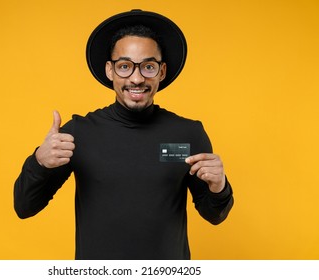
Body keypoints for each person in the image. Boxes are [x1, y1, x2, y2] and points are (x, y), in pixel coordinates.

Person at [14, 9, 234, 260]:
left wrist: (219, 187)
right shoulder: (78, 133)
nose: (137, 78)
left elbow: (215, 215)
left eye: (148, 66)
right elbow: (24, 207)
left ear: (161, 72)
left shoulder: (188, 133)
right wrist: (39, 162)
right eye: (125, 66)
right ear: (110, 71)